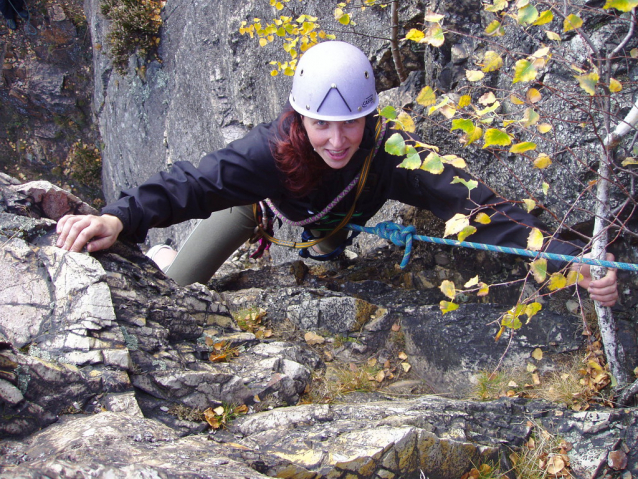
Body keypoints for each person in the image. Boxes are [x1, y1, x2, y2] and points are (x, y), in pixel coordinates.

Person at [55, 41, 619, 306]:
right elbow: (195, 182)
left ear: (371, 115)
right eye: (322, 124)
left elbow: (472, 204)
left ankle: (326, 253)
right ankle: (165, 257)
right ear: (300, 117)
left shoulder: (391, 153)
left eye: (351, 122)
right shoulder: (267, 154)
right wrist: (118, 217)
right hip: (259, 207)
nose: (337, 139)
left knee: (330, 263)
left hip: (338, 218)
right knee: (176, 288)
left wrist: (572, 257)